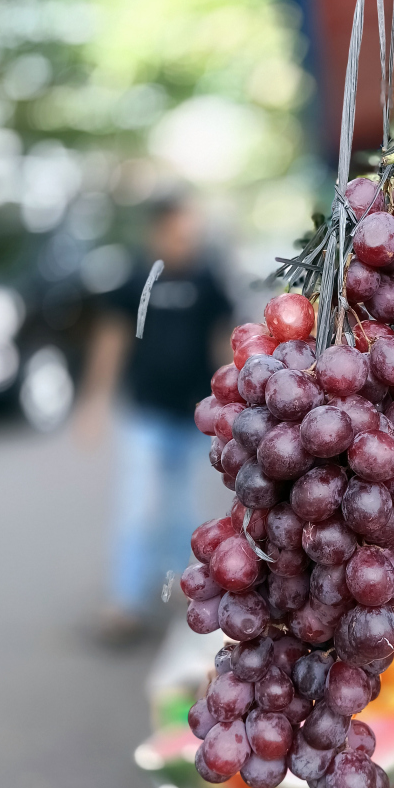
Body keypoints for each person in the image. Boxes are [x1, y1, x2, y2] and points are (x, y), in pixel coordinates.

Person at [76, 195, 233, 643]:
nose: (189, 241)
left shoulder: (207, 278)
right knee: (138, 507)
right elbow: (111, 341)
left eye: (193, 233)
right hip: (145, 416)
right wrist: (93, 402)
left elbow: (221, 342)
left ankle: (183, 589)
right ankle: (125, 602)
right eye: (181, 233)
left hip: (190, 419)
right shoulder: (134, 280)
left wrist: (236, 403)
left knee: (183, 510)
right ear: (158, 232)